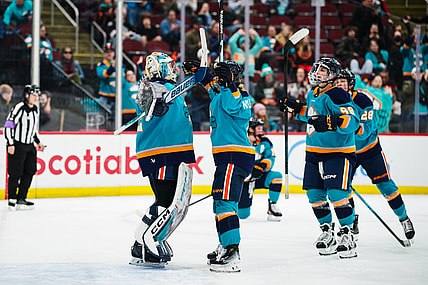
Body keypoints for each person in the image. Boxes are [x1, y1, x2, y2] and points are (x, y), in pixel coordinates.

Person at [278, 57, 360, 258]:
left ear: (332, 75)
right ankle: (327, 232)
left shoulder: (338, 93)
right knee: (315, 196)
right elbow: (312, 114)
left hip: (338, 153)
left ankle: (347, 235)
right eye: (317, 69)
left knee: (337, 195)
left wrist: (331, 122)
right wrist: (296, 108)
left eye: (322, 70)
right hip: (314, 153)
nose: (317, 72)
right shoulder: (314, 92)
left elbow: (352, 121)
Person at [182, 59, 255, 272]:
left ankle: (232, 251)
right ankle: (224, 244)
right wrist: (199, 71)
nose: (217, 79)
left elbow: (233, 106)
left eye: (221, 75)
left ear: (232, 78)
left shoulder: (241, 96)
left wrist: (228, 83)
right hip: (226, 158)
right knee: (218, 204)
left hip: (236, 155)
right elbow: (207, 84)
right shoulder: (220, 93)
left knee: (225, 203)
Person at [129, 52, 196, 267]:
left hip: (170, 152)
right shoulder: (152, 87)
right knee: (166, 202)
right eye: (170, 65)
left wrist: (200, 75)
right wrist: (154, 103)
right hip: (161, 154)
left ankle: (139, 243)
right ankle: (147, 242)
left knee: (165, 202)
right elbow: (147, 100)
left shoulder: (170, 90)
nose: (173, 69)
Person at [335, 69, 415, 241]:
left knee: (386, 186)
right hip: (348, 151)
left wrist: (347, 127)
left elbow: (366, 130)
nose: (339, 85)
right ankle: (351, 221)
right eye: (337, 82)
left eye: (342, 82)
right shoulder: (333, 101)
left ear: (350, 84)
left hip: (370, 150)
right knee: (342, 188)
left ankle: (404, 218)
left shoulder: (363, 100)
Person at [4, 84, 45, 210]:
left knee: (30, 171)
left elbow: (33, 129)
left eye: (37, 95)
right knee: (15, 172)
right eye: (33, 95)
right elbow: (9, 125)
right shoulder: (19, 107)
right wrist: (10, 143)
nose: (36, 97)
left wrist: (38, 141)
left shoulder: (35, 109)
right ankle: (12, 199)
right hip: (17, 144)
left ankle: (21, 198)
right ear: (27, 96)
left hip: (29, 145)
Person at [238, 117, 283, 221]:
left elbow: (270, 158)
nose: (261, 130)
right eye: (258, 128)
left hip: (258, 176)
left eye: (262, 128)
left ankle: (272, 206)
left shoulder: (265, 142)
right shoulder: (241, 141)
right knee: (243, 215)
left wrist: (261, 167)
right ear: (250, 129)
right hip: (243, 180)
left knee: (276, 176)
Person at [96, 42, 116, 113]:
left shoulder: (121, 65)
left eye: (111, 52)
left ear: (114, 53)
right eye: (107, 52)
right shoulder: (100, 65)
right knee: (103, 117)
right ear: (104, 54)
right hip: (105, 96)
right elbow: (103, 75)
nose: (109, 54)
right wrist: (113, 67)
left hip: (118, 96)